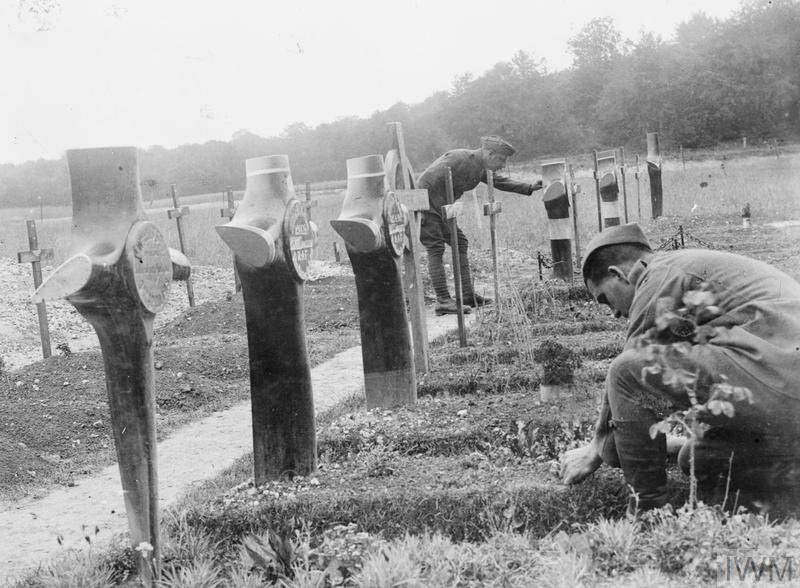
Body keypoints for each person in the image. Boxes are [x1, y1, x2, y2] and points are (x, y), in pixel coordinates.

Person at [560, 223, 800, 512]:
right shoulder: (680, 268)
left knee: (625, 372)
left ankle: (647, 515)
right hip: (781, 379)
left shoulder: (659, 276)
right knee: (697, 457)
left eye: (604, 298)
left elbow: (625, 378)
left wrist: (595, 449)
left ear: (618, 274)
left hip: (783, 370)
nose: (612, 312)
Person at [416, 135, 542, 315]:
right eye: (501, 159)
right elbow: (424, 180)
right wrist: (419, 211)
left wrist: (529, 187)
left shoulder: (479, 167)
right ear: (489, 153)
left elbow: (499, 181)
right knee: (435, 248)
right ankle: (443, 300)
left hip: (443, 210)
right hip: (427, 208)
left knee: (460, 243)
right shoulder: (458, 158)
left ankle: (467, 295)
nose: (503, 165)